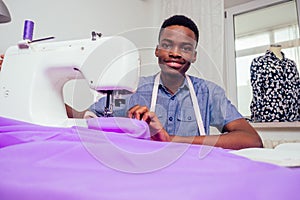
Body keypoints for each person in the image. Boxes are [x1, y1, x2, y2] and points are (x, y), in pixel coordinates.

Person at [86, 15, 262, 150]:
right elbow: (86, 117)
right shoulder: (133, 90)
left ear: (194, 56)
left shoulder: (210, 93)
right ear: (157, 50)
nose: (175, 53)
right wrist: (58, 103)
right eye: (167, 45)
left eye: (185, 48)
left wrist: (171, 140)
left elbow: (251, 139)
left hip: (193, 173)